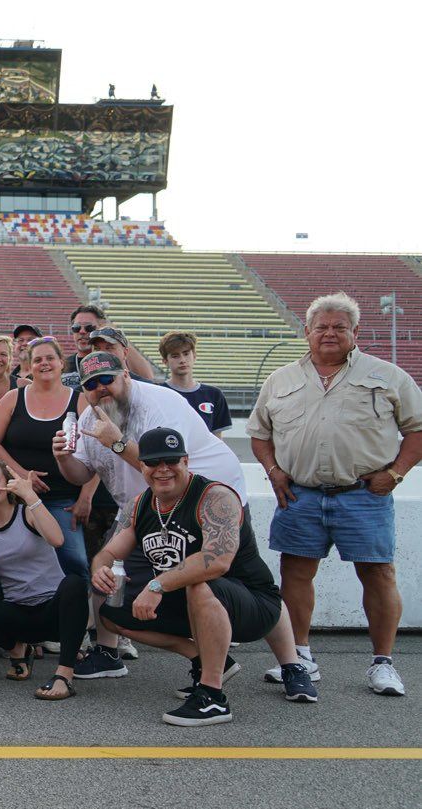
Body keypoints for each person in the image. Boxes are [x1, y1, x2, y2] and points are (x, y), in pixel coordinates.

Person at [52, 351, 304, 682]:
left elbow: (161, 469)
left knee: (246, 582)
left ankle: (292, 664)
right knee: (112, 582)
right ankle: (109, 652)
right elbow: (80, 475)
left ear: (126, 375)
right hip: (146, 512)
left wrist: (116, 444)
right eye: (91, 384)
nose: (101, 388)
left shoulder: (159, 404)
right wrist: (62, 457)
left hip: (209, 502)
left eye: (107, 380)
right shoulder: (89, 421)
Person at [248, 292, 422, 696]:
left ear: (355, 333)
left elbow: (417, 430)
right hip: (300, 495)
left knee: (378, 573)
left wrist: (396, 474)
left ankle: (383, 664)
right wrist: (274, 472)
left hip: (364, 493)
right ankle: (300, 657)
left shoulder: (389, 376)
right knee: (295, 571)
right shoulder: (282, 379)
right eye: (321, 327)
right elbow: (259, 435)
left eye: (339, 327)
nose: (329, 333)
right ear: (306, 332)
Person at [93, 428, 315, 723]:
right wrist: (101, 569)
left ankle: (214, 697)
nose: (162, 470)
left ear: (185, 461)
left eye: (171, 461)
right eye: (153, 463)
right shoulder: (142, 504)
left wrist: (157, 584)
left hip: (254, 605)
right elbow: (110, 552)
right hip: (190, 602)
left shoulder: (215, 497)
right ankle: (204, 659)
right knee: (111, 612)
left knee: (200, 584)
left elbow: (217, 561)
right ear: (142, 465)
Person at [0, 458, 92, 701]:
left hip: (54, 611)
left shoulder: (27, 513)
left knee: (74, 583)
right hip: (20, 612)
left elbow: (57, 540)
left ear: (8, 484)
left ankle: (64, 675)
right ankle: (17, 649)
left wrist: (31, 496)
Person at [0, 336, 89, 580]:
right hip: (17, 496)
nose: (44, 364)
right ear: (29, 366)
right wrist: (23, 474)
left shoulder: (80, 401)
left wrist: (86, 496)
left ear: (62, 363)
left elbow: (97, 454)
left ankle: (78, 616)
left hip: (63, 497)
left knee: (75, 561)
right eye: (38, 359)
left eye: (50, 358)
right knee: (16, 561)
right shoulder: (14, 398)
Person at [159, 331, 232, 436]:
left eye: (186, 354)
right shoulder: (158, 393)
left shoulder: (214, 395)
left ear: (194, 356)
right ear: (165, 361)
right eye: (175, 356)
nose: (182, 360)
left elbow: (217, 439)